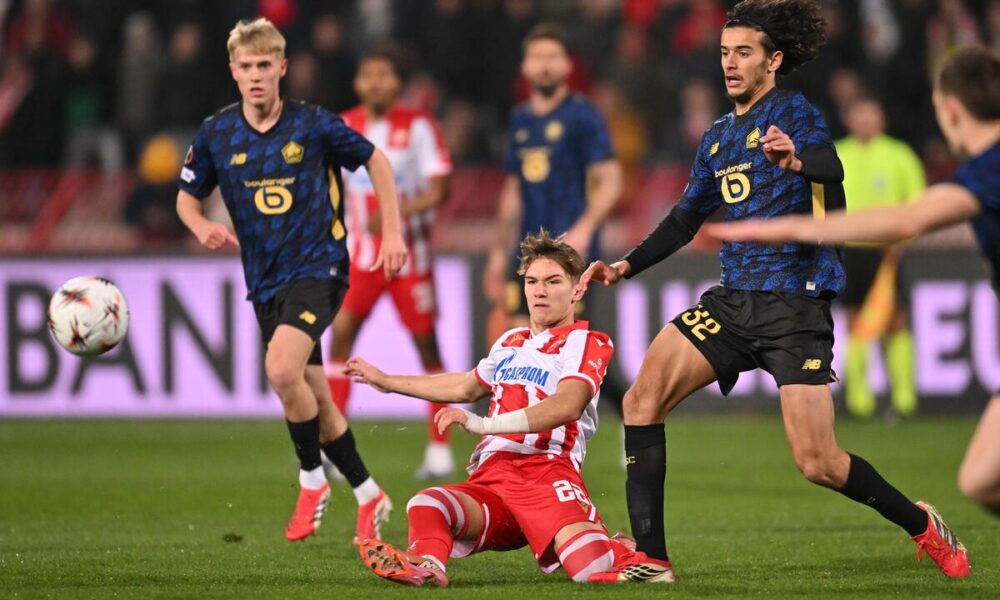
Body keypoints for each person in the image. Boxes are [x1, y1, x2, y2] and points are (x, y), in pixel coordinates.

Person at [580, 0, 969, 581]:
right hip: (734, 302)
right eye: (724, 53)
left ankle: (920, 523)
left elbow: (830, 169)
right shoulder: (716, 139)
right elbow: (686, 218)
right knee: (641, 399)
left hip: (795, 304)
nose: (730, 64)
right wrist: (625, 266)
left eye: (743, 53)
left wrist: (794, 161)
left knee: (818, 462)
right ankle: (652, 558)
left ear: (772, 60)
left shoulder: (794, 113)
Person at [707, 45, 1000, 517]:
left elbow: (904, 219)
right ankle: (866, 398)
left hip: (870, 251)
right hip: (853, 258)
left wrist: (781, 228)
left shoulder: (986, 169)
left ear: (949, 110)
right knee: (980, 480)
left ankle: (898, 398)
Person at [175, 18, 403, 543]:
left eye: (264, 66)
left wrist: (392, 234)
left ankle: (311, 480)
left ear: (282, 68)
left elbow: (378, 162)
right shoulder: (216, 133)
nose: (256, 76)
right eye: (246, 67)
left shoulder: (313, 125)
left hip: (319, 269)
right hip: (265, 283)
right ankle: (369, 494)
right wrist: (201, 225)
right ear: (233, 72)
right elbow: (186, 198)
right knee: (315, 399)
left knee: (281, 371)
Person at [345, 231, 672, 586]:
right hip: (493, 479)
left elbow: (568, 405)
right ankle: (427, 566)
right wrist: (387, 381)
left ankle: (621, 548)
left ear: (577, 290)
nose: (539, 291)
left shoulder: (586, 341)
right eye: (532, 281)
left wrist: (485, 425)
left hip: (547, 474)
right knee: (426, 503)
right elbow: (464, 386)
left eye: (552, 281)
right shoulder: (510, 341)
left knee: (590, 572)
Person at [325, 50, 456, 480]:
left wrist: (398, 210)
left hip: (410, 259)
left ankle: (439, 450)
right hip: (361, 258)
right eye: (368, 75)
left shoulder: (418, 125)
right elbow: (329, 186)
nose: (376, 82)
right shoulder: (343, 124)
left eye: (384, 74)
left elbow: (440, 189)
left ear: (397, 83)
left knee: (427, 347)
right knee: (339, 341)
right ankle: (333, 446)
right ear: (358, 84)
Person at [483, 23, 621, 338]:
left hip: (570, 250)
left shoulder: (583, 115)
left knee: (564, 339)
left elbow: (611, 180)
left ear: (567, 65)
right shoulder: (520, 119)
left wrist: (584, 230)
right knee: (518, 337)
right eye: (537, 57)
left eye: (552, 56)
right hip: (527, 250)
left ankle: (613, 388)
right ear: (525, 66)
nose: (545, 65)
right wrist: (497, 251)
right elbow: (514, 189)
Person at [835, 96, 926, 419]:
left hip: (887, 251)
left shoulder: (900, 155)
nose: (866, 122)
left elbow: (918, 202)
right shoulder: (838, 154)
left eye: (871, 115)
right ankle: (860, 401)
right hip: (851, 249)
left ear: (881, 119)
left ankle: (904, 400)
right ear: (850, 120)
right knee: (854, 320)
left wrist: (905, 238)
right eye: (860, 115)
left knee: (895, 319)